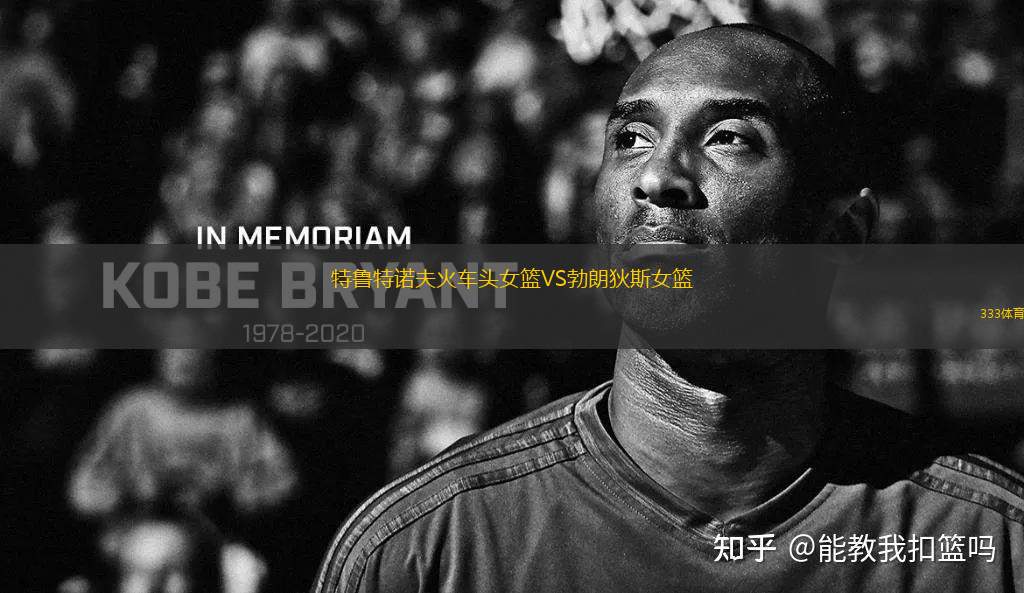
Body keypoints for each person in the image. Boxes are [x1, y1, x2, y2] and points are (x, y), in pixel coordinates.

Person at [311, 24, 1024, 592]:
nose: (657, 175)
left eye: (728, 138)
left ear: (842, 236)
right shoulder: (431, 551)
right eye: (631, 139)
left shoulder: (986, 546)